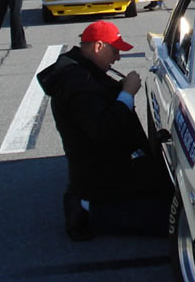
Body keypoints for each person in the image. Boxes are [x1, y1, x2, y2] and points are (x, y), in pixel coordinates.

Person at [37, 21, 172, 241]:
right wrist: (126, 94)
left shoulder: (84, 71)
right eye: (115, 50)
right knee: (169, 219)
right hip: (103, 177)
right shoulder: (77, 83)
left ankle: (89, 203)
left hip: (106, 167)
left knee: (165, 185)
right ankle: (86, 209)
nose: (117, 57)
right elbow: (104, 131)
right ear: (98, 47)